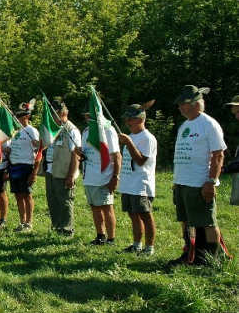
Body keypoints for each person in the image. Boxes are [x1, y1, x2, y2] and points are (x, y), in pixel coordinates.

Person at [169, 85, 230, 266]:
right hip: (182, 182)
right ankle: (190, 253)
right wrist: (176, 181)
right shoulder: (184, 125)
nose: (180, 107)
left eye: (183, 103)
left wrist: (211, 181)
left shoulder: (209, 124)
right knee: (186, 220)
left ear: (196, 104)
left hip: (199, 182)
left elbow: (218, 155)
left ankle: (211, 259)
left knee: (206, 221)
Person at [116, 103, 158, 256]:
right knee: (133, 215)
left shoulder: (147, 138)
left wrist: (129, 143)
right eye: (126, 119)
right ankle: (136, 245)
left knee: (145, 215)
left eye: (130, 119)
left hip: (141, 184)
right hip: (128, 183)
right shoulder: (132, 137)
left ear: (140, 119)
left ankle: (149, 248)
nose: (127, 122)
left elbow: (141, 161)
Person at [79, 105, 122, 245]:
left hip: (104, 176)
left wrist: (115, 176)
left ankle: (111, 238)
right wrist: (79, 152)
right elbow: (85, 152)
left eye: (89, 116)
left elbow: (116, 155)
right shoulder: (86, 131)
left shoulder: (107, 130)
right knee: (94, 207)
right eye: (85, 116)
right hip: (89, 176)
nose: (87, 118)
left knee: (107, 207)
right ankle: (100, 235)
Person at [45, 103, 81, 236]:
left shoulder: (72, 130)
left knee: (65, 201)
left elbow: (75, 154)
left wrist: (71, 176)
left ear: (63, 113)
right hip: (51, 170)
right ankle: (57, 227)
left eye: (54, 114)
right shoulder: (54, 128)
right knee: (52, 200)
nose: (51, 117)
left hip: (63, 171)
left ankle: (67, 229)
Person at [8, 101, 39, 232]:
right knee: (18, 195)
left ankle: (29, 222)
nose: (17, 118)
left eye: (19, 116)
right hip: (15, 166)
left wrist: (34, 173)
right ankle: (22, 221)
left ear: (26, 116)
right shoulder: (16, 131)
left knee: (27, 195)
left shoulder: (32, 131)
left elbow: (38, 152)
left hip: (26, 166)